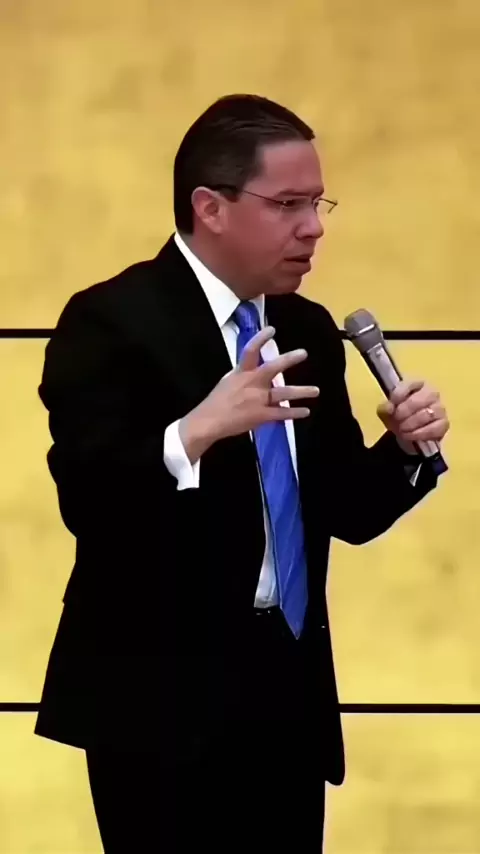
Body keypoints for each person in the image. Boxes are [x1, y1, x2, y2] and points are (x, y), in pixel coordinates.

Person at [34, 93, 449, 852]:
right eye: (288, 204)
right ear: (211, 207)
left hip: (286, 699)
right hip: (157, 707)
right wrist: (194, 432)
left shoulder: (307, 329)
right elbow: (89, 501)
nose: (313, 227)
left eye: (318, 203)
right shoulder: (110, 320)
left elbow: (346, 512)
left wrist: (404, 452)